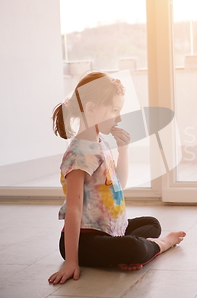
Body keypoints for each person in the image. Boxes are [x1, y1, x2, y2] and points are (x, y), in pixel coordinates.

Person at [48, 71, 186, 285]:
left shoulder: (100, 143)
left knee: (151, 223)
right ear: (91, 108)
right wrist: (71, 262)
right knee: (133, 247)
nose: (119, 117)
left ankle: (123, 253)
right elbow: (74, 209)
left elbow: (118, 183)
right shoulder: (79, 154)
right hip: (85, 240)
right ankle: (161, 245)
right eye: (114, 110)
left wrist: (124, 150)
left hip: (109, 231)